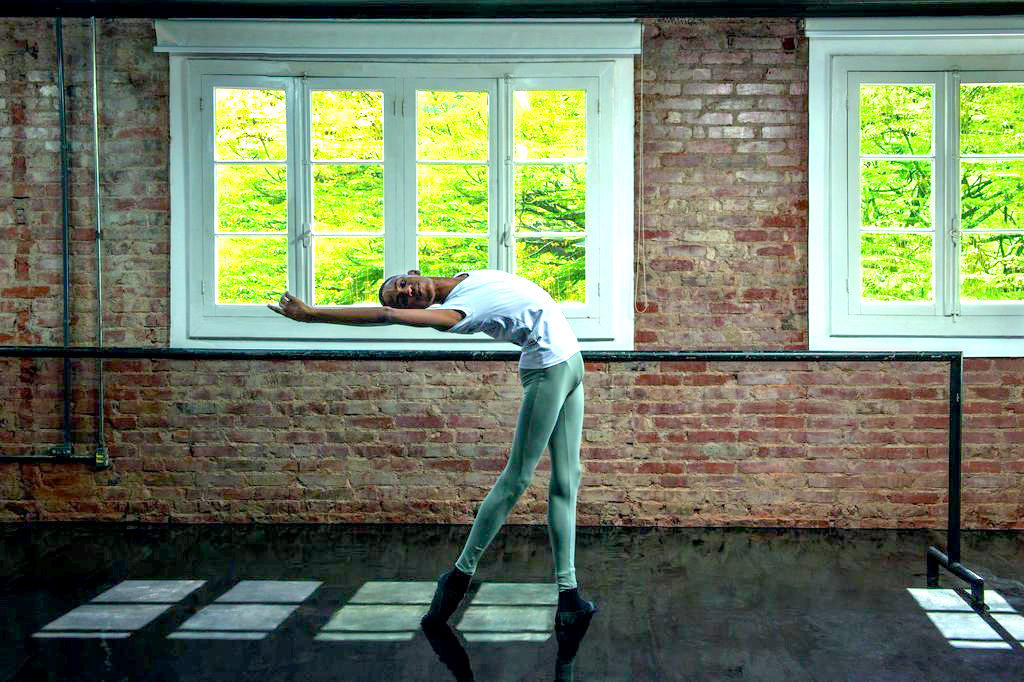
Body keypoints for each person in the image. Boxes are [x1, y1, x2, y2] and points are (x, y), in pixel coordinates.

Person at [268, 269, 597, 642]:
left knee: (568, 479)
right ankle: (458, 577)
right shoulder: (453, 314)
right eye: (402, 299)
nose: (407, 293)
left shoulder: (465, 277)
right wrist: (313, 314)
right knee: (517, 478)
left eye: (402, 285)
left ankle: (569, 596)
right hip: (548, 370)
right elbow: (385, 315)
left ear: (412, 273)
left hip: (571, 363)